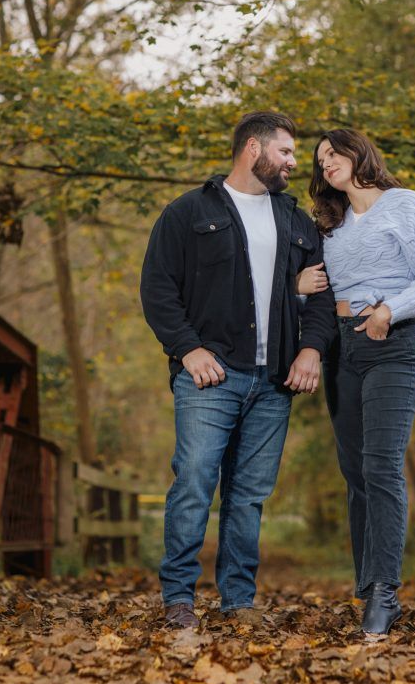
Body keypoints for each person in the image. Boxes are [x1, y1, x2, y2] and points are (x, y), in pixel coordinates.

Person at [140, 111, 336, 628]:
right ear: (253, 148)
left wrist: (311, 350)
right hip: (211, 375)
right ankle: (179, 599)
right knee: (195, 484)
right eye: (287, 152)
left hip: (274, 381)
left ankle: (238, 603)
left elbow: (320, 295)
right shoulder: (187, 213)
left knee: (249, 496)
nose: (295, 163)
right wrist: (188, 350)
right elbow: (159, 289)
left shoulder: (295, 221)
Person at [306, 128, 415, 636]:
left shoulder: (406, 205)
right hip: (341, 350)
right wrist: (297, 288)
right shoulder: (332, 225)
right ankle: (368, 587)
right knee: (355, 474)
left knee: (382, 465)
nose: (326, 163)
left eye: (334, 153)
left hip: (393, 345)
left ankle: (386, 593)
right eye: (320, 159)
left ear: (359, 152)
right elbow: (317, 293)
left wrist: (390, 309)